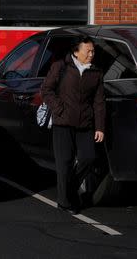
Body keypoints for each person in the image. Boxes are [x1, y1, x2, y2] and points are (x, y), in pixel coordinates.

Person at [40, 36, 105, 214]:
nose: (91, 54)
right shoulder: (61, 67)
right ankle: (64, 202)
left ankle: (69, 191)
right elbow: (46, 90)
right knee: (64, 163)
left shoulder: (96, 72)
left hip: (85, 123)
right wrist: (58, 107)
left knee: (88, 157)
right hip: (63, 122)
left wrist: (99, 127)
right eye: (88, 51)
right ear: (76, 52)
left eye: (93, 51)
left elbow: (99, 102)